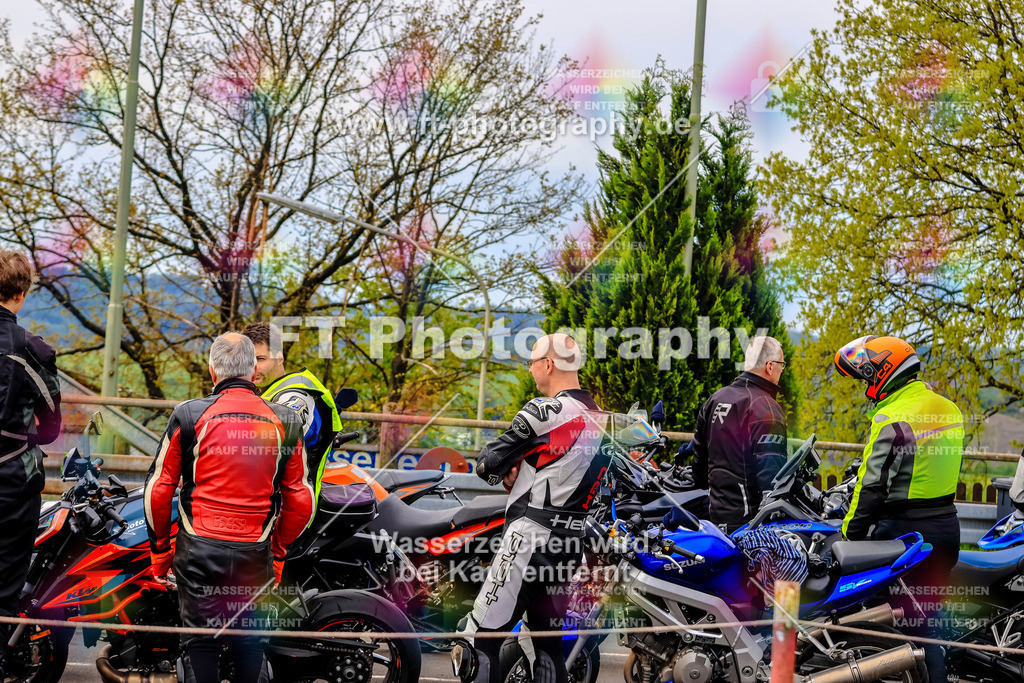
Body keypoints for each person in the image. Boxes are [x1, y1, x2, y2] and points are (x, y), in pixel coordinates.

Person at [144, 333, 314, 683]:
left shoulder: (189, 414)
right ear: (254, 372)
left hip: (198, 549)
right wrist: (278, 553)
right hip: (255, 551)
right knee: (249, 642)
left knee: (200, 641)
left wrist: (160, 553)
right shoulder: (286, 420)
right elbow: (300, 497)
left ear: (212, 371)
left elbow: (159, 490)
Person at [453, 333, 609, 683]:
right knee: (544, 647)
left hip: (528, 539)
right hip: (570, 544)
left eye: (532, 362)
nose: (529, 369)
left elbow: (487, 465)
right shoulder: (604, 419)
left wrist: (511, 471)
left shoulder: (545, 411)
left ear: (548, 365)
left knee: (475, 643)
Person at [833, 335, 963, 683]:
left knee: (900, 627)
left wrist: (848, 535)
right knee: (927, 618)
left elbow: (871, 487)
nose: (867, 385)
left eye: (868, 377)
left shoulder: (892, 416)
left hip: (906, 536)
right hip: (947, 528)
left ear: (885, 371)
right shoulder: (949, 409)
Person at [0, 249, 61, 675]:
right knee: (5, 582)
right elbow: (52, 425)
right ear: (21, 294)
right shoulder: (33, 349)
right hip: (11, 482)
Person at [679, 335, 789, 532]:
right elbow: (773, 479)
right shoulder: (766, 408)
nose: (782, 370)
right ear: (770, 366)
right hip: (751, 526)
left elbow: (699, 469)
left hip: (715, 522)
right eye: (782, 364)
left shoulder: (715, 400)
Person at [242, 322, 340, 499]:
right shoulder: (264, 393)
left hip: (287, 505)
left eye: (261, 359)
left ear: (279, 358)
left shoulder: (295, 396)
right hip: (263, 498)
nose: (253, 367)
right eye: (248, 361)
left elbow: (267, 445)